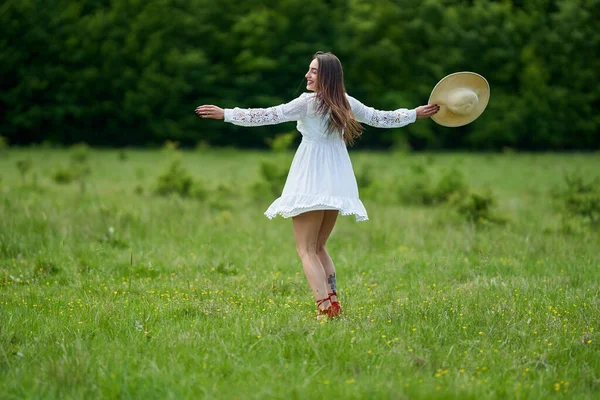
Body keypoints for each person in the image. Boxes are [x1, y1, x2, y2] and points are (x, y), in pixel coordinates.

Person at [196, 51, 439, 319]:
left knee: (306, 249)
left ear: (327, 76)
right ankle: (333, 304)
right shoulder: (346, 102)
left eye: (313, 71)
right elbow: (381, 118)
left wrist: (226, 114)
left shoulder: (308, 103)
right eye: (309, 70)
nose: (307, 75)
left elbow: (268, 115)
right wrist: (414, 114)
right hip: (337, 178)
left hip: (311, 175)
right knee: (319, 247)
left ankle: (325, 309)